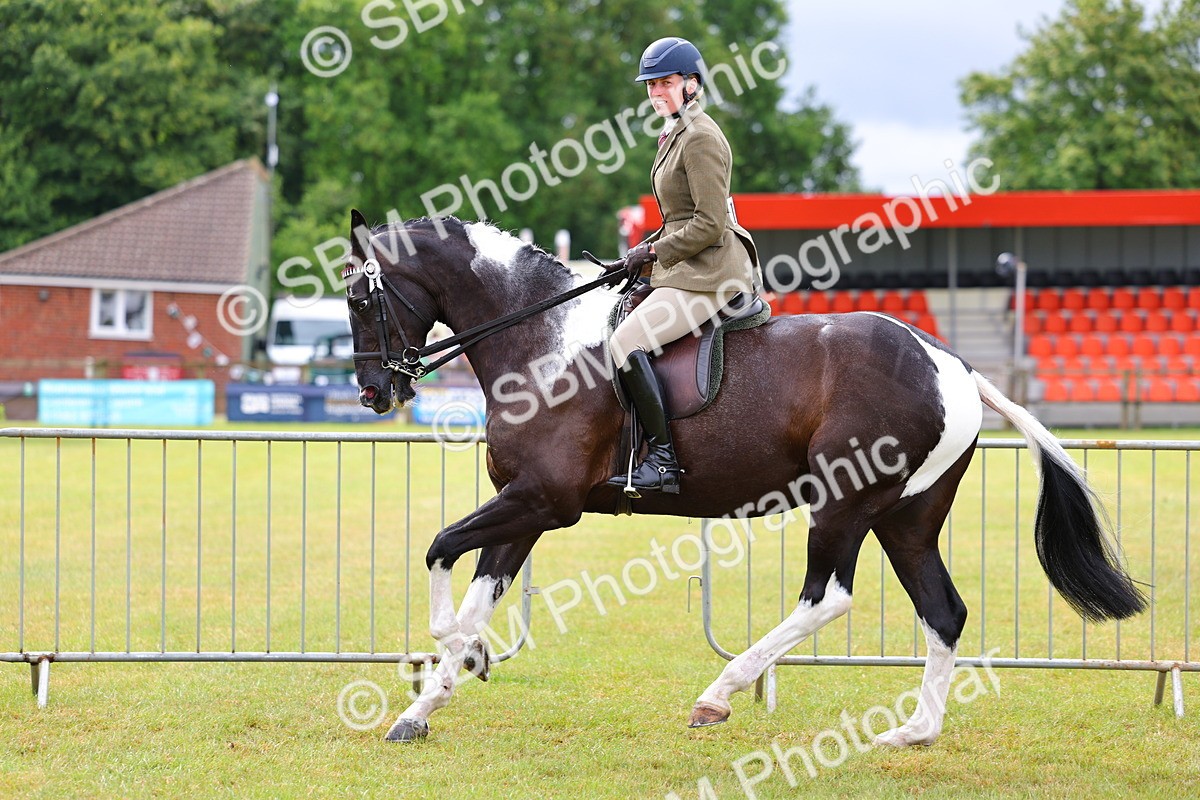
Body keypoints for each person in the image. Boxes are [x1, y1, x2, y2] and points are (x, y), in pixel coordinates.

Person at [607, 36, 761, 497]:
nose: (656, 93)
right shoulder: (675, 133)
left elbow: (711, 223)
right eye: (651, 85)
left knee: (625, 341)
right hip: (686, 267)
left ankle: (664, 462)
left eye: (666, 83)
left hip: (712, 274)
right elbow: (678, 218)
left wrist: (653, 253)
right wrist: (637, 254)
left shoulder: (700, 138)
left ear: (692, 84)